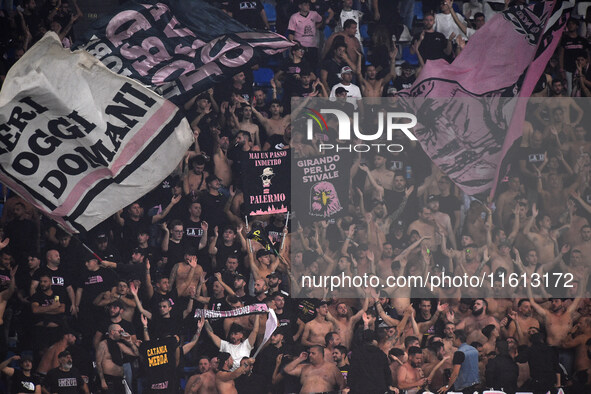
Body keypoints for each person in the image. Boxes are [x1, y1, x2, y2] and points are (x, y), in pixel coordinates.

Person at [95, 324, 139, 393]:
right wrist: (102, 380)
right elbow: (98, 363)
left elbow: (136, 354)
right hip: (108, 379)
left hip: (119, 379)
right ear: (112, 332)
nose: (121, 334)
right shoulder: (103, 344)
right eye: (120, 331)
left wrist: (130, 342)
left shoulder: (119, 344)